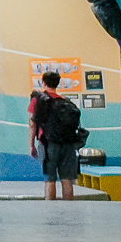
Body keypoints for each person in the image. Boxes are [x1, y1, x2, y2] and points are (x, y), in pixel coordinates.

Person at [31, 70, 86, 199]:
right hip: (68, 144)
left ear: (43, 82)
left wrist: (31, 145)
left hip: (48, 143)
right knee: (67, 180)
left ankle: (51, 211)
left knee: (50, 179)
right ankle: (69, 211)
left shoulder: (38, 100)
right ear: (58, 84)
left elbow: (33, 124)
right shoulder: (66, 102)